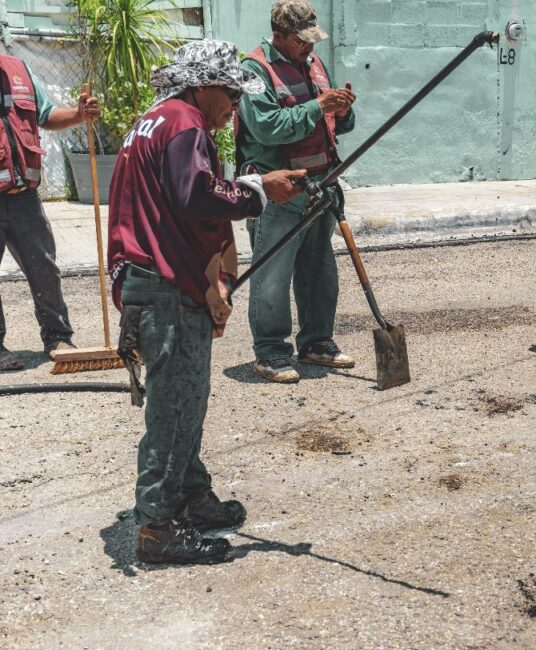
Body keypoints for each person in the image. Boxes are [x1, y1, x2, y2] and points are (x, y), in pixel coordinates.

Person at [107, 40, 306, 564]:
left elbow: (181, 195)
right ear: (203, 85)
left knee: (186, 398)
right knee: (175, 408)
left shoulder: (157, 119)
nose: (234, 107)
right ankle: (159, 528)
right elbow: (195, 196)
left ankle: (191, 495)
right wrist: (257, 191)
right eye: (231, 95)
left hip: (152, 279)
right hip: (163, 286)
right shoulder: (186, 123)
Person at [235, 0, 357, 383]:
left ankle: (317, 343)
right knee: (272, 274)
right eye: (301, 41)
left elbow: (336, 123)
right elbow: (267, 127)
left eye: (312, 39)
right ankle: (271, 351)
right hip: (279, 189)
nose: (310, 47)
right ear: (280, 35)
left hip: (320, 186)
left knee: (319, 271)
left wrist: (343, 107)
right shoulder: (253, 70)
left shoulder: (314, 64)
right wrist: (319, 106)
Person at [0, 55, 100, 371]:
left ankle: (58, 336)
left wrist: (79, 114)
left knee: (44, 266)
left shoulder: (19, 70)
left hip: (23, 197)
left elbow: (46, 114)